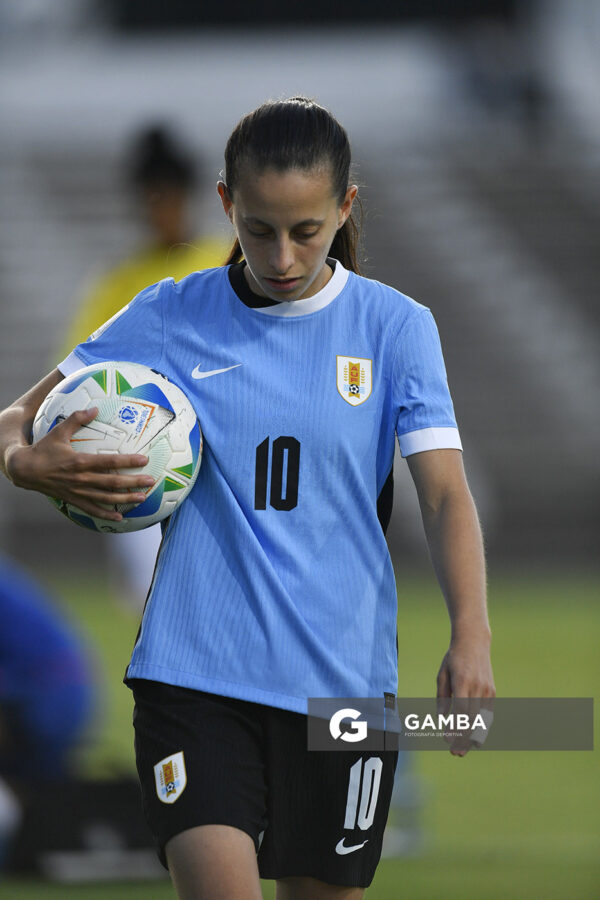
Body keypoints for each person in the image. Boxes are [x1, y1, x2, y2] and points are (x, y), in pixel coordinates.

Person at [0, 97, 495, 899]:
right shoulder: (169, 312)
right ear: (226, 204)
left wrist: (470, 636)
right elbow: (14, 420)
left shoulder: (396, 329)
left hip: (341, 689)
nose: (284, 254)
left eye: (307, 230)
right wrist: (27, 464)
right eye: (259, 228)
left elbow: (444, 499)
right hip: (193, 679)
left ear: (346, 208)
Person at [61, 124, 230, 610]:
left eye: (168, 196)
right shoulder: (117, 286)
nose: (160, 209)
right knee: (155, 606)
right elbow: (77, 382)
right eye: (151, 197)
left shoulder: (226, 264)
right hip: (144, 467)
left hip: (223, 463)